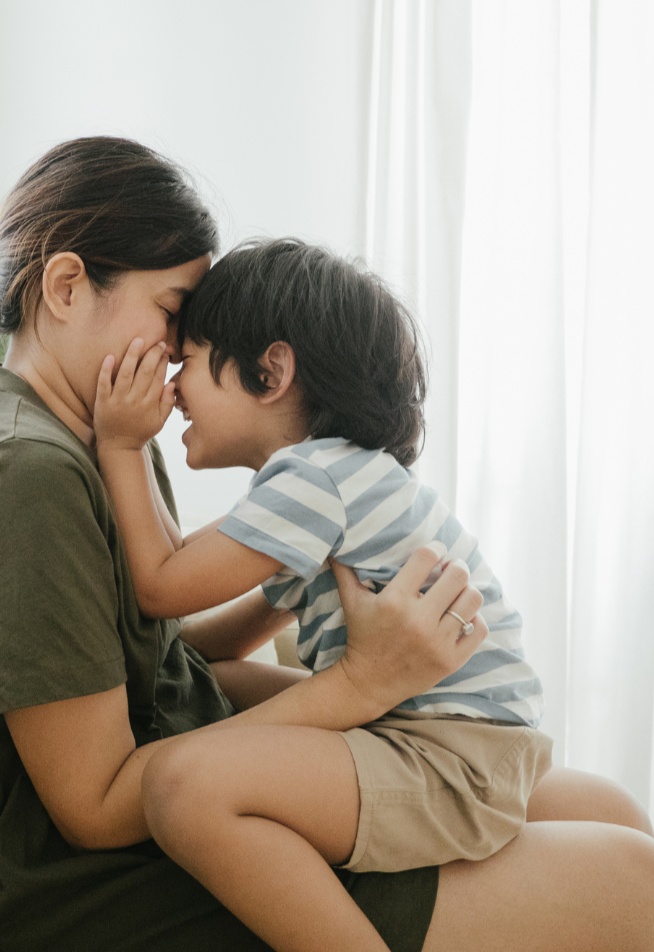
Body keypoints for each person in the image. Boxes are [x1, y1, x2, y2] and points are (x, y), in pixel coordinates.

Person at [0, 135, 654, 952]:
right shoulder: (24, 478)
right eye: (174, 314)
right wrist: (360, 684)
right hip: (116, 881)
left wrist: (286, 610)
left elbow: (146, 655)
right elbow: (93, 806)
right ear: (65, 286)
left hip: (200, 790)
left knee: (611, 813)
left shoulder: (95, 440)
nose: (176, 358)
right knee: (644, 892)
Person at [91, 238, 553, 952]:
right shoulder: (333, 481)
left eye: (187, 361)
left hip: (449, 752)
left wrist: (119, 446)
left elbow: (160, 585)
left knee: (184, 788)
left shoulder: (312, 481)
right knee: (226, 679)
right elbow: (205, 631)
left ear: (271, 372)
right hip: (468, 738)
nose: (173, 386)